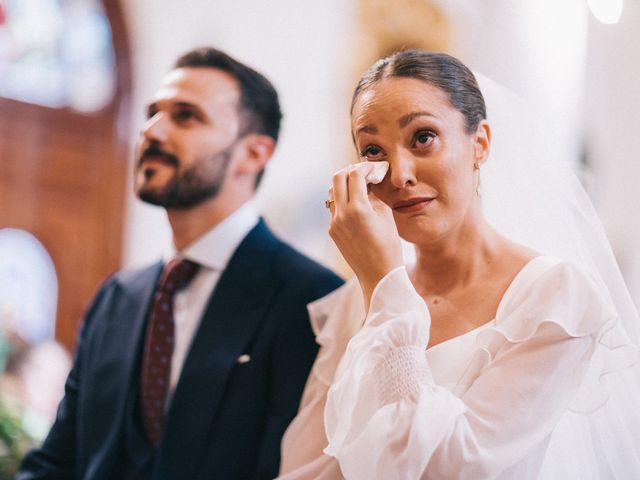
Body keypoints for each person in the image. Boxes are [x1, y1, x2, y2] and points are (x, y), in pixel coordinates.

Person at [278, 50, 640, 479]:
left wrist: (385, 289)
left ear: (480, 143)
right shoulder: (357, 304)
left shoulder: (556, 297)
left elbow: (446, 466)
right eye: (373, 150)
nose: (399, 175)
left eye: (423, 137)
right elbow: (308, 468)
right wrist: (378, 289)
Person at [16, 47, 343, 480]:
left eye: (186, 116)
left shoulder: (312, 300)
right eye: (153, 112)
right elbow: (60, 461)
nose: (152, 130)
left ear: (254, 154)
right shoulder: (116, 298)